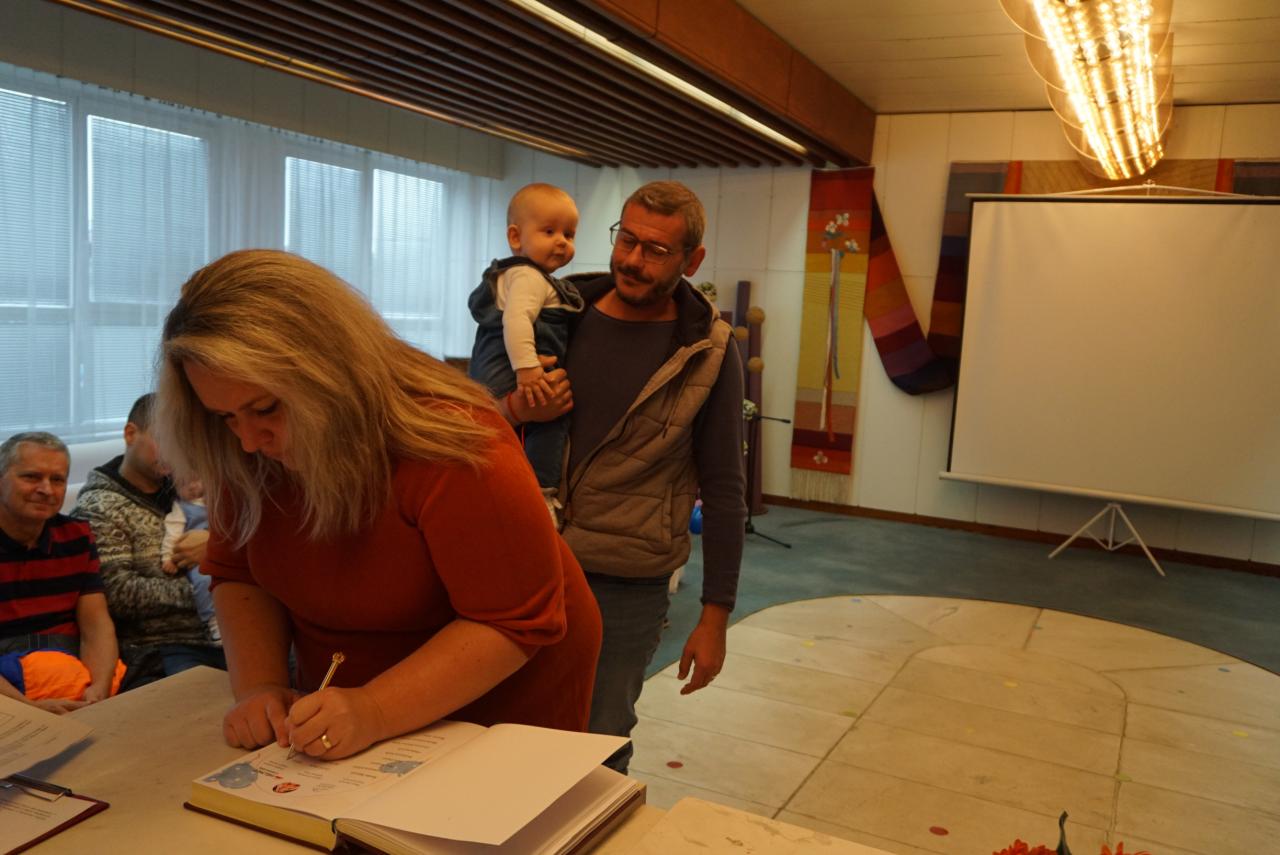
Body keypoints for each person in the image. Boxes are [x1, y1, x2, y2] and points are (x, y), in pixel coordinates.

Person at [154, 249, 602, 761]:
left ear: (329, 374)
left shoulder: (454, 442)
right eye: (225, 417)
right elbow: (239, 573)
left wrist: (376, 709)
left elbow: (512, 622)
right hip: (351, 708)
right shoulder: (244, 446)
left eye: (266, 408)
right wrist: (259, 686)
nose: (249, 440)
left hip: (500, 700)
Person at [507, 181, 746, 773]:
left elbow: (723, 488)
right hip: (529, 560)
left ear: (692, 260)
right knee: (507, 730)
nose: (633, 260)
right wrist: (515, 408)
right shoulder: (557, 310)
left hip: (625, 581)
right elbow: (475, 420)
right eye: (627, 239)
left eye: (656, 250)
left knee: (597, 741)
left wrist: (715, 615)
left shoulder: (709, 351)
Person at [73, 394, 225, 686]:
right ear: (131, 434)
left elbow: (247, 544)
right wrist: (212, 587)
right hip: (161, 648)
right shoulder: (100, 507)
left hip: (231, 630)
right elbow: (118, 593)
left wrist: (214, 547)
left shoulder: (191, 489)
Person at [467, 183, 585, 518]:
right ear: (516, 237)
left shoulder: (510, 274)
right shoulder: (530, 277)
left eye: (569, 234)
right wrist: (528, 369)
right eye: (549, 231)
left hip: (490, 366)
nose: (562, 241)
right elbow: (516, 320)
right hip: (512, 369)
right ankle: (542, 492)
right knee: (552, 420)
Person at [0, 432, 125, 712]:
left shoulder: (76, 535)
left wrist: (98, 691)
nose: (46, 489)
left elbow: (96, 627)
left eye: (57, 480)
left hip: (69, 672)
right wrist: (28, 709)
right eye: (31, 477)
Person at [160, 477, 219, 642]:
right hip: (195, 559)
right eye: (183, 484)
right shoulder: (180, 507)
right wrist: (167, 557)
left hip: (221, 552)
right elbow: (172, 534)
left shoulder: (216, 497)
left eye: (195, 480)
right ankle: (213, 621)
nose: (192, 487)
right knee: (204, 580)